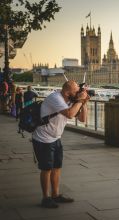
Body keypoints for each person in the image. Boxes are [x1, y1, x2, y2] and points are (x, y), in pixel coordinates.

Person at [32, 80, 89, 208]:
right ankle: (45, 198)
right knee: (46, 169)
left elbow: (83, 119)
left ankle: (55, 195)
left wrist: (84, 102)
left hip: (56, 138)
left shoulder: (70, 100)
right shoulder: (55, 98)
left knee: (57, 167)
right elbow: (69, 114)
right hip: (43, 138)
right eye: (76, 91)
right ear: (68, 92)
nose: (78, 93)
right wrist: (80, 101)